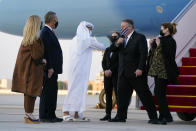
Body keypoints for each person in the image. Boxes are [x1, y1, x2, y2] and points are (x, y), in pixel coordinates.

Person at [109, 19, 158, 124]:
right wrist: (117, 42)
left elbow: (143, 54)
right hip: (123, 73)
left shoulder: (140, 37)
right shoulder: (121, 39)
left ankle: (153, 117)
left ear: (130, 27)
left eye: (124, 27)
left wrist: (140, 68)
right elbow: (112, 49)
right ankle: (120, 116)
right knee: (122, 96)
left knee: (144, 95)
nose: (122, 29)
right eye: (121, 27)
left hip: (136, 73)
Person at [62, 21, 105, 122]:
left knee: (79, 91)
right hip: (79, 69)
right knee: (74, 90)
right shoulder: (87, 40)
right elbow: (102, 47)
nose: (90, 31)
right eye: (89, 29)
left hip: (78, 69)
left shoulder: (74, 39)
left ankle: (77, 114)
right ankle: (66, 112)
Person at [12, 15, 46, 124]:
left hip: (28, 72)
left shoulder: (28, 39)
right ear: (36, 25)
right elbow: (37, 56)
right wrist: (43, 61)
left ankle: (29, 114)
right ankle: (28, 115)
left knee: (31, 93)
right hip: (30, 73)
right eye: (40, 23)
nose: (42, 25)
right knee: (30, 93)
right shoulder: (34, 40)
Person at [148, 22, 179, 124]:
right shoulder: (160, 40)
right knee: (159, 93)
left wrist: (159, 45)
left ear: (167, 30)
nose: (160, 30)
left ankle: (167, 116)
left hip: (165, 71)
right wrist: (151, 45)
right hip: (157, 71)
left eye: (162, 28)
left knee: (159, 93)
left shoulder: (171, 41)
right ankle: (162, 116)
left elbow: (169, 56)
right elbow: (154, 54)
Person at [39, 11, 63, 123]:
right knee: (48, 92)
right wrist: (50, 67)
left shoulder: (50, 32)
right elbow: (47, 52)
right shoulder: (45, 32)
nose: (57, 21)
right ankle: (45, 115)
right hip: (50, 69)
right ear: (52, 20)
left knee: (52, 92)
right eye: (56, 19)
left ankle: (51, 114)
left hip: (53, 68)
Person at [100, 32, 120, 121]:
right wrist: (105, 70)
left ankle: (119, 114)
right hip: (107, 75)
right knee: (108, 95)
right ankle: (107, 114)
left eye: (115, 36)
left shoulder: (120, 49)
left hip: (116, 75)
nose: (113, 37)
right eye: (112, 36)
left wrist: (111, 70)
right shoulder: (108, 49)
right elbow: (103, 62)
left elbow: (119, 63)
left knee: (118, 94)